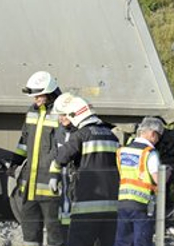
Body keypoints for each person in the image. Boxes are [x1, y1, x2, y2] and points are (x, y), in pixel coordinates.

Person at [49, 93, 120, 246]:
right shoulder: (112, 136)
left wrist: (54, 175)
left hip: (86, 204)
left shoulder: (82, 135)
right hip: (112, 206)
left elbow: (62, 156)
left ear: (75, 115)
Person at [9, 71, 66, 246]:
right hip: (30, 186)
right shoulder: (31, 112)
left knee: (55, 232)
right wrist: (15, 163)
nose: (35, 100)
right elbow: (24, 142)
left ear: (49, 93)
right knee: (30, 233)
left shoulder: (61, 113)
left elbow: (64, 148)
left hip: (51, 186)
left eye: (38, 96)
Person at [114, 117, 169, 246]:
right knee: (142, 242)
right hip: (142, 205)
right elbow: (159, 181)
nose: (158, 141)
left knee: (122, 241)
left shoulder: (122, 151)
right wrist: (168, 173)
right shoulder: (149, 153)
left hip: (123, 202)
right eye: (158, 137)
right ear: (152, 134)